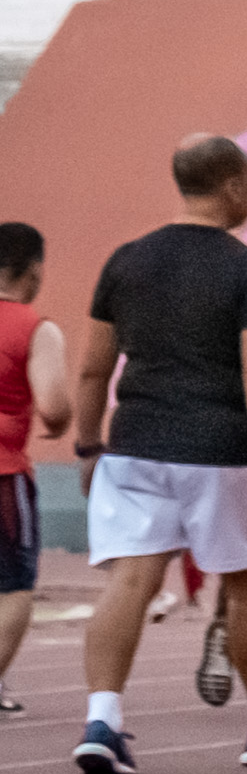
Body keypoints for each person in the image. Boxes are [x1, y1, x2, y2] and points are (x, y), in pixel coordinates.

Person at [66, 137, 247, 774]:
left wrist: (89, 447)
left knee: (131, 580)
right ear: (230, 185)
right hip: (222, 452)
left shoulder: (125, 262)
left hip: (135, 444)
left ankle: (103, 719)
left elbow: (92, 370)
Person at [0, 223, 76, 713]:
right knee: (14, 587)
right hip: (5, 476)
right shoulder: (34, 326)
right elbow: (52, 406)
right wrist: (62, 418)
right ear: (35, 269)